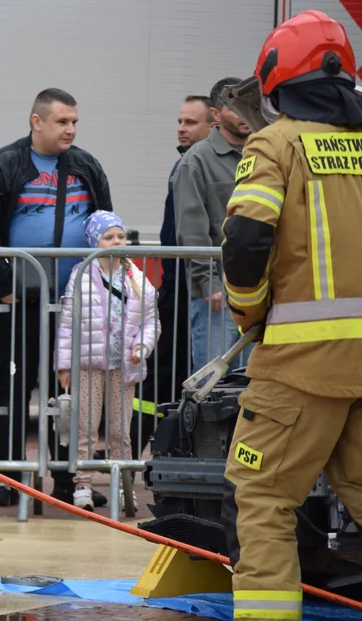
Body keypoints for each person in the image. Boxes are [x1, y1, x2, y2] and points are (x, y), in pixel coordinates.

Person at [221, 9, 362, 621]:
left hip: (299, 367)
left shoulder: (274, 144)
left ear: (278, 82)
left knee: (263, 496)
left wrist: (248, 314)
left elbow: (247, 238)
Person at [0, 87, 113, 508]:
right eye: (62, 122)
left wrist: (97, 287)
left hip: (73, 306)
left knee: (68, 397)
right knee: (12, 389)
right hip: (20, 304)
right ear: (37, 122)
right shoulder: (5, 165)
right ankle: (8, 479)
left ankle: (68, 482)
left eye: (74, 122)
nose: (70, 130)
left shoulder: (86, 167)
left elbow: (104, 226)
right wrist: (6, 284)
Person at [56, 211, 160, 510]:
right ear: (95, 242)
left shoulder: (137, 278)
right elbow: (67, 323)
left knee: (120, 429)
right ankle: (83, 485)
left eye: (120, 236)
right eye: (109, 237)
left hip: (124, 366)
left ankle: (122, 485)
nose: (117, 241)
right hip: (89, 365)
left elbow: (151, 321)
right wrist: (65, 365)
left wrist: (143, 345)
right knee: (86, 426)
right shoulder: (82, 275)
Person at [133, 95, 213, 452]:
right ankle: (133, 449)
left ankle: (173, 450)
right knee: (160, 374)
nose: (181, 128)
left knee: (190, 376)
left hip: (196, 288)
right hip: (176, 288)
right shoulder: (185, 164)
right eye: (180, 121)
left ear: (213, 125)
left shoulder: (199, 165)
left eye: (190, 122)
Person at [173, 78, 252, 370]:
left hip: (260, 291)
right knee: (212, 388)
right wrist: (210, 284)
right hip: (218, 297)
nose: (246, 115)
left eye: (250, 107)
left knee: (254, 387)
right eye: (236, 108)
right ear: (216, 114)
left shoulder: (265, 153)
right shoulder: (197, 160)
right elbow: (191, 230)